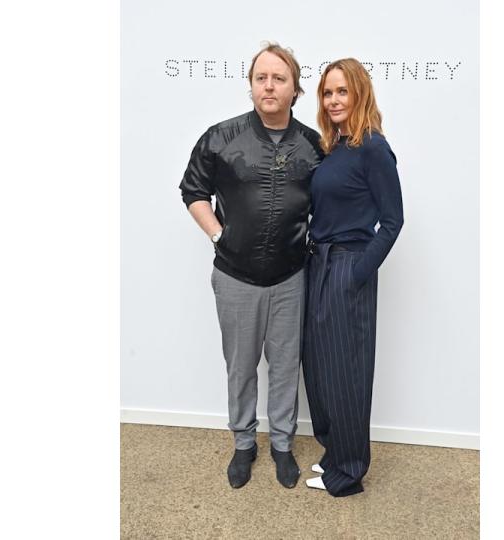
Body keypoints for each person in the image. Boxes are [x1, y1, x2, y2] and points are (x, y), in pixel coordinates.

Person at [179, 43, 323, 489]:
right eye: (261, 77)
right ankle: (244, 443)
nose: (269, 85)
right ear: (251, 85)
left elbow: (331, 200)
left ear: (295, 89)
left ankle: (282, 444)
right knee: (240, 365)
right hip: (235, 276)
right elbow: (193, 191)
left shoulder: (314, 146)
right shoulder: (221, 137)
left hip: (291, 276)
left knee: (285, 364)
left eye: (279, 78)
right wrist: (220, 236)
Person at [301, 58, 404, 496]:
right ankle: (335, 453)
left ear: (359, 93)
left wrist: (357, 273)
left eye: (342, 91)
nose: (334, 99)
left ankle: (349, 472)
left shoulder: (373, 147)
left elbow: (393, 220)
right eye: (327, 92)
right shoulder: (335, 147)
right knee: (321, 371)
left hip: (347, 266)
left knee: (347, 372)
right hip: (318, 263)